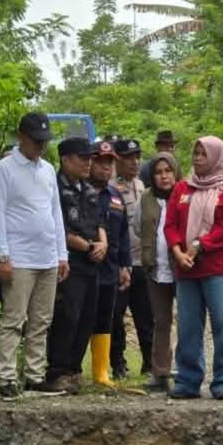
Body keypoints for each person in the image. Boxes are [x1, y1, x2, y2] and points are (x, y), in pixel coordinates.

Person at [0, 113, 69, 399]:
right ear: (21, 137)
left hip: (47, 255)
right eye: (36, 141)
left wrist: (62, 254)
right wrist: (3, 255)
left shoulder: (47, 169)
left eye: (44, 141)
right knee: (14, 319)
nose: (41, 146)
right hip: (19, 257)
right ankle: (7, 377)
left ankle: (34, 376)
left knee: (41, 320)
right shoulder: (4, 169)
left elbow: (55, 212)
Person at [164, 136, 223, 399]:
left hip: (219, 267)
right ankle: (188, 380)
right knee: (187, 325)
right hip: (187, 267)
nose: (197, 158)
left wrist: (198, 246)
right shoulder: (183, 188)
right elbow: (171, 224)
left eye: (203, 154)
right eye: (195, 153)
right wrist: (177, 251)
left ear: (217, 157)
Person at [46, 137, 107, 393]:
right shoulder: (55, 188)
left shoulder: (89, 189)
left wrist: (102, 243)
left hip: (93, 262)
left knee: (87, 317)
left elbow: (100, 222)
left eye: (89, 158)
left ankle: (73, 369)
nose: (88, 163)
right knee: (66, 316)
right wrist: (88, 246)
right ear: (65, 159)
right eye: (82, 158)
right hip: (68, 261)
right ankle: (58, 370)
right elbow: (58, 227)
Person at [135, 152, 182, 393]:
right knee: (161, 321)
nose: (164, 176)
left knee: (187, 321)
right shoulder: (145, 198)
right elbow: (137, 225)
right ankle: (160, 372)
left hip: (183, 267)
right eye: (158, 172)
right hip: (156, 268)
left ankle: (187, 372)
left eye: (168, 171)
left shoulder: (185, 195)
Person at [89, 141, 131, 386]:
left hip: (111, 268)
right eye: (100, 162)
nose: (106, 168)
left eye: (110, 163)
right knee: (79, 318)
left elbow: (123, 234)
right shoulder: (81, 192)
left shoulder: (115, 196)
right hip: (85, 265)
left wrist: (125, 266)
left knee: (109, 317)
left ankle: (101, 372)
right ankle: (70, 369)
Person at [111, 139, 153, 378]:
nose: (134, 162)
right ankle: (118, 363)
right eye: (128, 157)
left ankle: (150, 363)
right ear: (118, 160)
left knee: (146, 316)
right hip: (120, 264)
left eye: (137, 157)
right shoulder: (110, 188)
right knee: (116, 316)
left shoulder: (143, 186)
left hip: (142, 263)